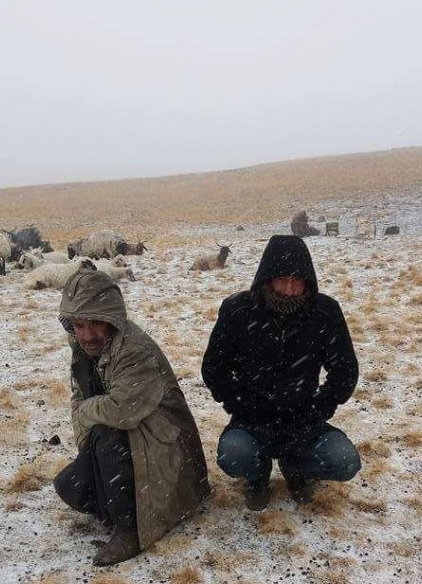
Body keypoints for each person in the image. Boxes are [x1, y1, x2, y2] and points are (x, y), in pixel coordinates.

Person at [54, 269, 209, 564]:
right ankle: (119, 503)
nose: (86, 335)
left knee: (107, 435)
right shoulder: (84, 349)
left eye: (94, 324)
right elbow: (79, 395)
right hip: (135, 439)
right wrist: (85, 438)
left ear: (110, 318)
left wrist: (86, 414)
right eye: (78, 325)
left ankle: (131, 530)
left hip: (167, 446)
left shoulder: (134, 350)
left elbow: (122, 411)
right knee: (69, 488)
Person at [201, 235, 361, 510]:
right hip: (252, 419)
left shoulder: (324, 311)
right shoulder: (238, 310)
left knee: (343, 461)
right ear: (266, 278)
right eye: (282, 279)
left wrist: (319, 408)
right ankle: (258, 474)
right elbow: (214, 367)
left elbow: (345, 370)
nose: (289, 290)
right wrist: (239, 403)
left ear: (308, 281)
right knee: (234, 455)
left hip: (304, 418)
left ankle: (297, 468)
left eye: (297, 281)